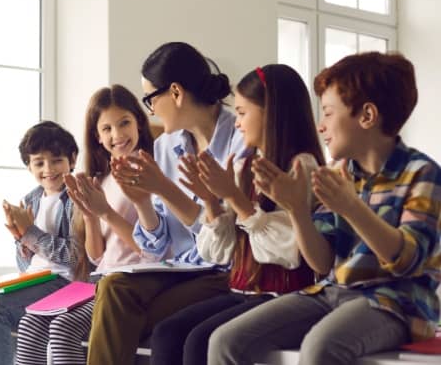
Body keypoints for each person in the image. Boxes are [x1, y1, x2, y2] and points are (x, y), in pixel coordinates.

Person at [209, 52, 441, 365]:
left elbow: (406, 262)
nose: (321, 126)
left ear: (367, 116)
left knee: (320, 349)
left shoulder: (421, 173)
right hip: (332, 292)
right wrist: (296, 211)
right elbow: (320, 261)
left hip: (398, 303)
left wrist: (352, 207)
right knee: (225, 341)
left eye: (329, 113)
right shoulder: (337, 173)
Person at [148, 64, 324, 365]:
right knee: (166, 333)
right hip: (242, 289)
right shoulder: (245, 166)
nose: (238, 124)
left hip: (284, 295)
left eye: (243, 113)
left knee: (201, 341)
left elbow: (290, 251)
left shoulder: (302, 166)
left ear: (272, 112)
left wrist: (234, 198)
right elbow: (222, 252)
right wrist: (212, 203)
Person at [86, 42, 247, 365]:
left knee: (125, 317)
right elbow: (156, 249)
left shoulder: (239, 138)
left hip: (223, 272)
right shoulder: (165, 147)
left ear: (175, 93)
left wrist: (163, 188)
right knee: (114, 285)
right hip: (177, 269)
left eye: (150, 99)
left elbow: (229, 239)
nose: (151, 111)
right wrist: (143, 203)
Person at [15, 84, 156, 365]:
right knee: (30, 324)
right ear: (97, 135)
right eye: (107, 129)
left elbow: (152, 249)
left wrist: (105, 213)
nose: (117, 135)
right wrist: (90, 215)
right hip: (98, 280)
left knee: (62, 327)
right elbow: (96, 256)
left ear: (139, 122)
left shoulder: (151, 172)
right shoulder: (102, 179)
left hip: (133, 280)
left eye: (124, 123)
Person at [0, 121, 85, 365]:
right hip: (35, 279)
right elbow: (26, 264)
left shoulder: (77, 198)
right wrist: (21, 240)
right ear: (29, 166)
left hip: (65, 282)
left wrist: (31, 234)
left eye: (57, 160)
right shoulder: (31, 199)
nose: (49, 169)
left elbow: (75, 257)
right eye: (39, 163)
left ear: (72, 159)